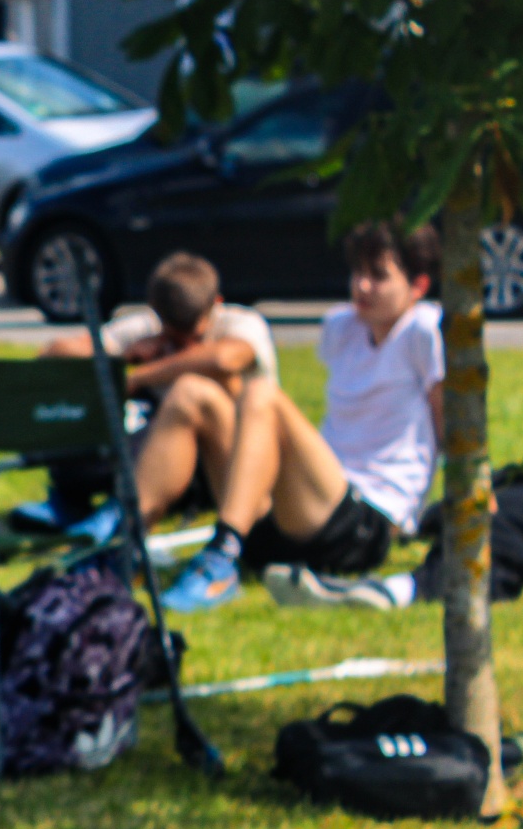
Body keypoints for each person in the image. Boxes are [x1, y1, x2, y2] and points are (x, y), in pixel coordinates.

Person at [165, 223, 444, 612]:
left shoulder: (424, 329)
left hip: (365, 524)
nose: (362, 286)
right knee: (192, 393)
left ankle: (222, 555)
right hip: (306, 510)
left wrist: (469, 497)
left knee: (261, 392)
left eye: (378, 276)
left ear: (419, 285)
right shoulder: (341, 327)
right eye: (358, 273)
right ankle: (122, 540)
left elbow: (449, 424)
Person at [34, 250, 281, 532]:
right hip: (164, 450)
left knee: (185, 402)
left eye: (195, 337)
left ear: (217, 304)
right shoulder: (148, 326)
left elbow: (223, 359)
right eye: (174, 336)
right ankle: (78, 503)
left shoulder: (241, 323)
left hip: (233, 458)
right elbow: (55, 353)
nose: (185, 346)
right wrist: (122, 355)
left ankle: (119, 517)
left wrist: (141, 375)